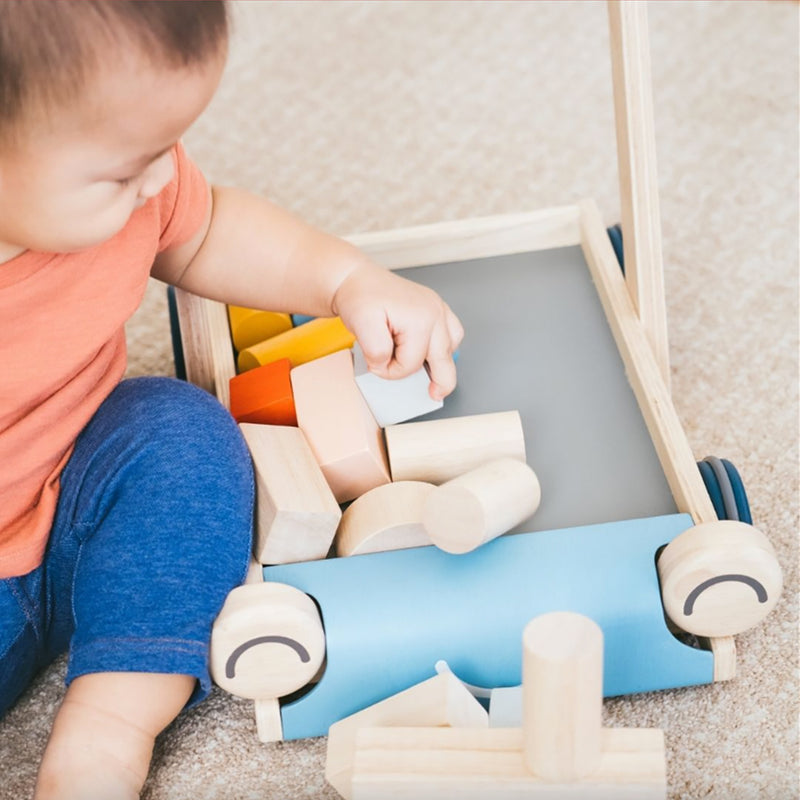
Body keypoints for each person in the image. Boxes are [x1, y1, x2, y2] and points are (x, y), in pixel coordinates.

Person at [0, 2, 464, 797]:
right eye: (123, 169)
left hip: (74, 486)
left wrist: (346, 280)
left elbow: (206, 232)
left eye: (164, 149)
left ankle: (106, 726)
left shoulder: (139, 188)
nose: (158, 179)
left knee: (182, 431)